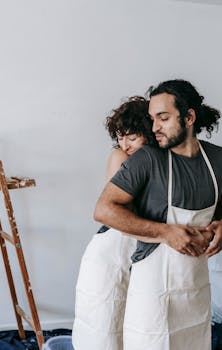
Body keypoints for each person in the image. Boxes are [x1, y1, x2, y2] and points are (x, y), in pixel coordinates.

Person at [94, 79, 222, 350]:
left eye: (163, 118)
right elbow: (104, 210)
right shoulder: (147, 159)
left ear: (189, 117)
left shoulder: (220, 159)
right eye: (152, 119)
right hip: (152, 293)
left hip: (195, 289)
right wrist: (166, 232)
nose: (155, 127)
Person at [72, 96, 156, 350]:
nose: (125, 144)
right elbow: (123, 208)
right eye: (120, 137)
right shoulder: (120, 156)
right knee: (103, 322)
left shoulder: (152, 159)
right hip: (112, 244)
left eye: (131, 137)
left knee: (127, 323)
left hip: (131, 247)